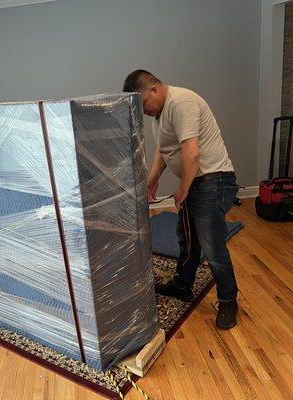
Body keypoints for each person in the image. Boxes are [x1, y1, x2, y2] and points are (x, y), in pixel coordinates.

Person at [123, 70, 239, 329]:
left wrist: (183, 189)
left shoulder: (181, 103)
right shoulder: (160, 114)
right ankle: (183, 286)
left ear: (154, 89)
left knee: (213, 247)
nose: (144, 112)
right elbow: (165, 152)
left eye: (143, 105)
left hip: (213, 181)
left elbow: (192, 152)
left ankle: (228, 301)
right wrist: (152, 179)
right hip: (197, 183)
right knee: (187, 237)